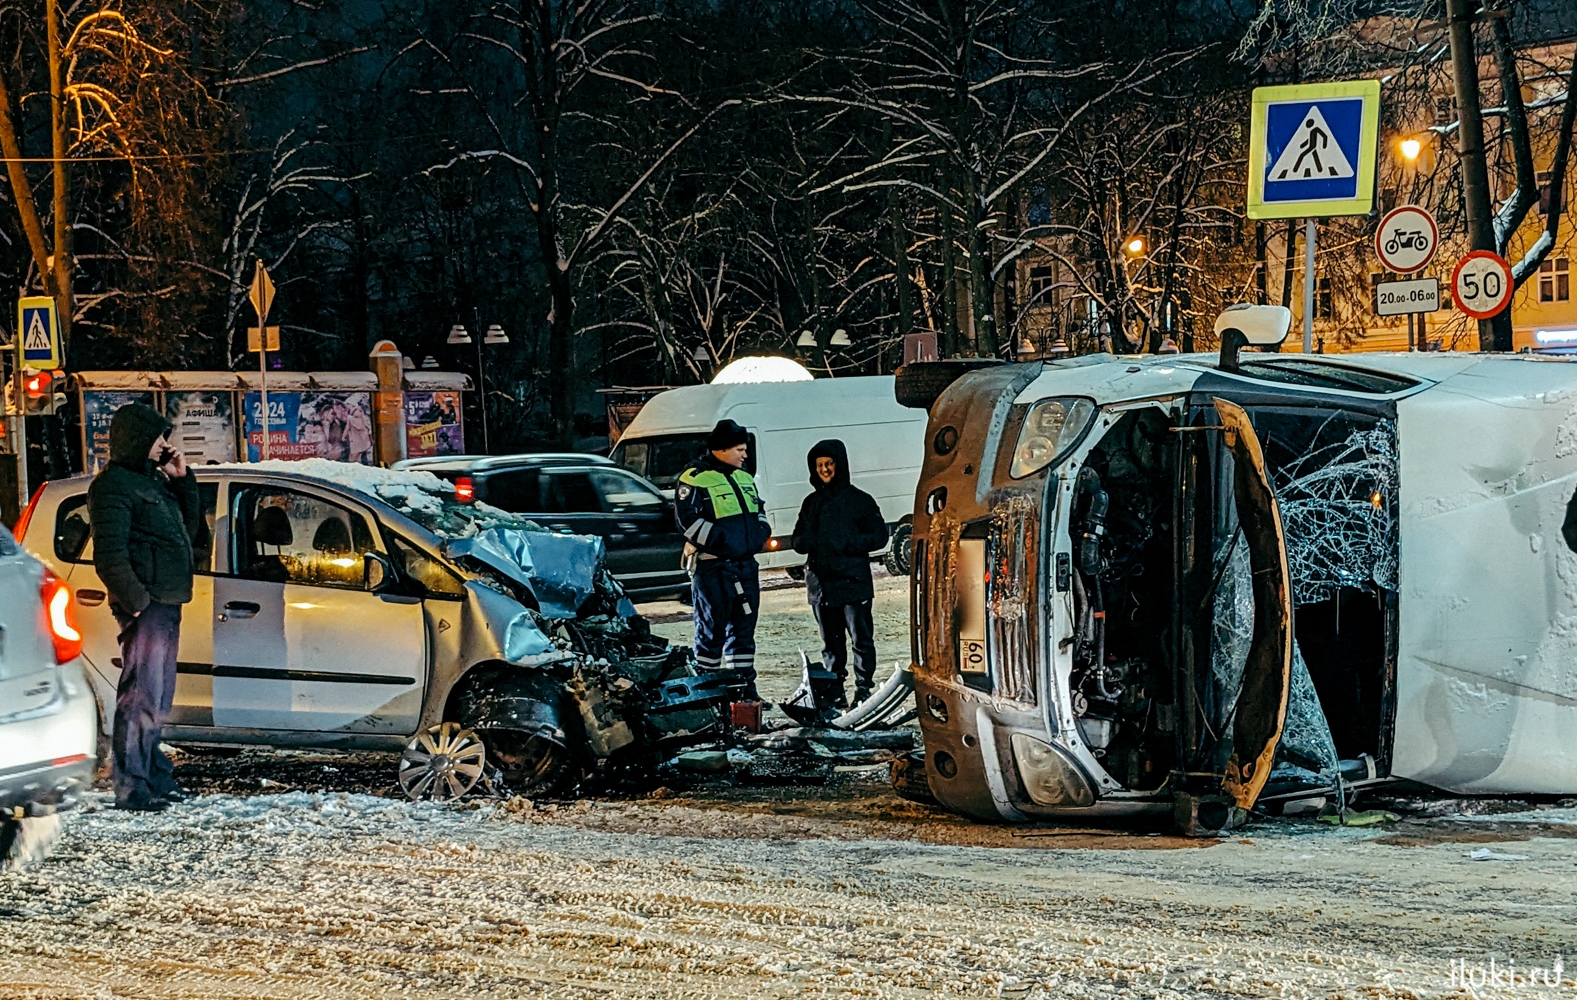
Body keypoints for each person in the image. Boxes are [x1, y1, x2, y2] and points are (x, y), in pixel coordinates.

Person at [88, 402, 202, 812]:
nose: (163, 445)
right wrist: (137, 603)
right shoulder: (113, 486)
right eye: (157, 438)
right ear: (137, 439)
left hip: (166, 601)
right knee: (140, 696)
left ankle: (154, 774)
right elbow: (110, 555)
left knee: (159, 697)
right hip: (148, 605)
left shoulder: (153, 482)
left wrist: (182, 479)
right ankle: (132, 784)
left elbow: (189, 531)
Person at [674, 419, 771, 700]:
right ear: (722, 449)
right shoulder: (693, 478)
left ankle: (743, 690)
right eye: (740, 449)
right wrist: (725, 542)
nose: (745, 455)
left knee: (743, 630)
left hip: (744, 566)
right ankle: (708, 694)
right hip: (712, 567)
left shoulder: (744, 477)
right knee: (711, 632)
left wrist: (760, 532)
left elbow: (758, 509)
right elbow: (687, 522)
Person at [791, 439, 889, 707]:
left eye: (829, 463)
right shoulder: (811, 503)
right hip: (821, 585)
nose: (824, 469)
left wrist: (847, 543)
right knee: (831, 644)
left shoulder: (860, 500)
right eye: (819, 465)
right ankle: (835, 690)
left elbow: (880, 536)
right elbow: (797, 540)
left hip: (852, 581)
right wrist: (807, 541)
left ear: (840, 464)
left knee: (861, 640)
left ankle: (863, 689)